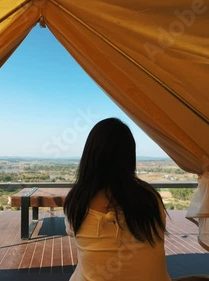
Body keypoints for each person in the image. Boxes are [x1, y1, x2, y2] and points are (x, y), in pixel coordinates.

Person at [64, 118, 171, 281]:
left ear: (90, 155)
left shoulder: (78, 201)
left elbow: (72, 231)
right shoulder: (150, 197)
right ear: (129, 156)